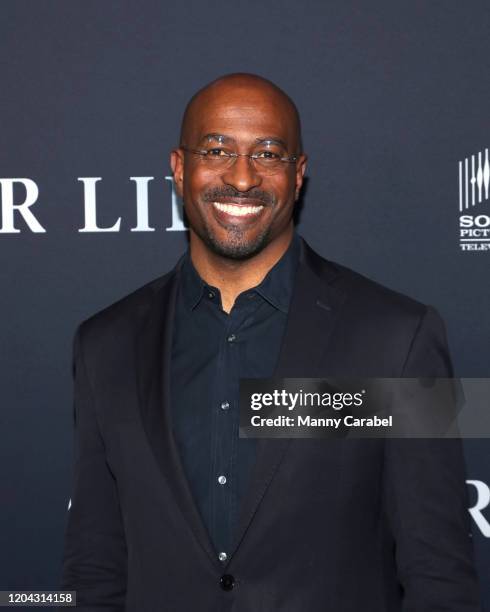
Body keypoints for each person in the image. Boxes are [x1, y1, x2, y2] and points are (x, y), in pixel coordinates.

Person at [60, 73, 481, 611]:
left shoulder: (397, 336)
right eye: (216, 149)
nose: (241, 178)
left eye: (268, 153)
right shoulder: (105, 344)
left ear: (298, 175)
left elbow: (438, 572)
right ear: (179, 167)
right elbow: (95, 565)